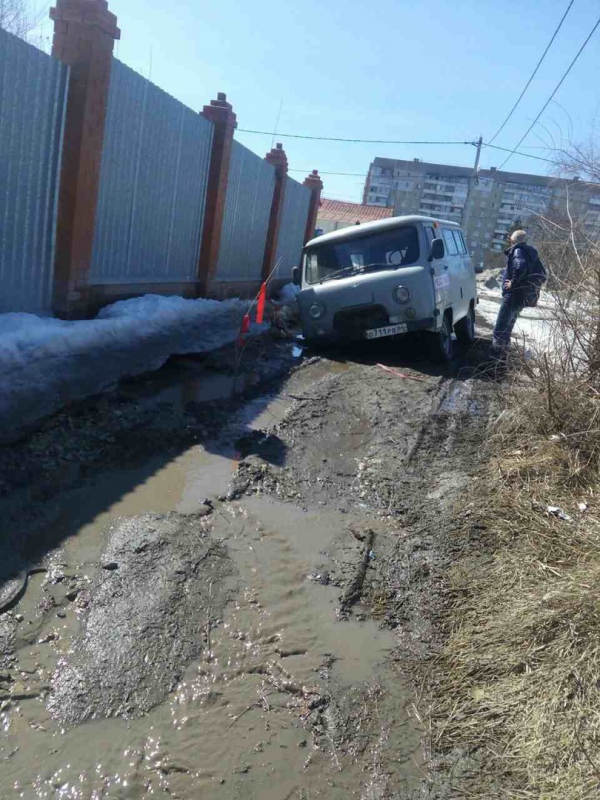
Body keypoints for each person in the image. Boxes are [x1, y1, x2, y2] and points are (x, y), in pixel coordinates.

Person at [491, 229, 544, 354]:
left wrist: (513, 282)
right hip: (522, 296)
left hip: (513, 295)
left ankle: (493, 361)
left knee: (499, 331)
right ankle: (504, 359)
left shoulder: (518, 250)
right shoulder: (531, 252)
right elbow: (542, 274)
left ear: (512, 240)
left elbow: (520, 266)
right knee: (507, 329)